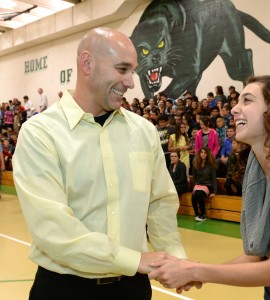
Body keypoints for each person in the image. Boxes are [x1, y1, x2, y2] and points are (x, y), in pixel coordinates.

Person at [13, 27, 186, 300]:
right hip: (64, 289)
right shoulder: (40, 133)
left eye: (133, 71)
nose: (131, 82)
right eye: (122, 69)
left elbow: (160, 204)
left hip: (133, 288)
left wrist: (175, 259)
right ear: (87, 63)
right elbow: (54, 229)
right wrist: (133, 260)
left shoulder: (144, 131)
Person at [149, 76, 270, 299]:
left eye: (247, 100)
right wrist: (195, 273)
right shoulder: (258, 173)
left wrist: (194, 270)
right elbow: (254, 257)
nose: (234, 109)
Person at [191, 146, 217, 222]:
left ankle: (203, 214)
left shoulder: (211, 165)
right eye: (201, 152)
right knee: (193, 196)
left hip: (208, 185)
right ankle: (196, 213)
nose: (203, 154)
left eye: (205, 153)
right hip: (199, 184)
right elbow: (194, 177)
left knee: (199, 195)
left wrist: (214, 192)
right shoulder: (196, 164)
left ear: (207, 154)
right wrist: (195, 186)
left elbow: (214, 178)